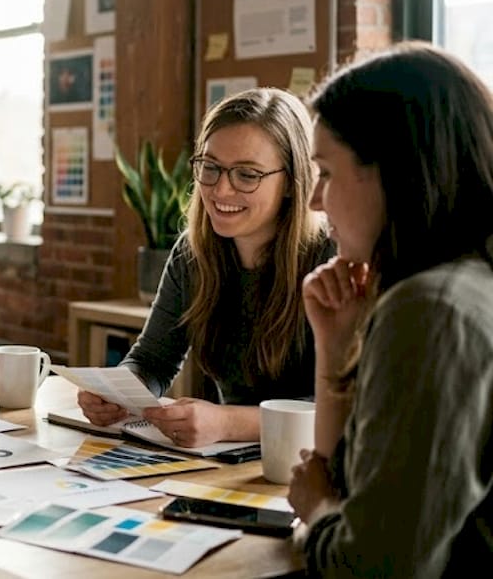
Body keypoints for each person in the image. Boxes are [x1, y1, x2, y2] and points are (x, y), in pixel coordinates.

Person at [288, 42, 493, 574]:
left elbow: (373, 565)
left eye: (327, 173)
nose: (314, 201)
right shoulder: (460, 285)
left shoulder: (431, 311)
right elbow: (347, 483)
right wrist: (335, 346)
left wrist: (315, 513)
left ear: (393, 170)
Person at [78, 88, 335, 447]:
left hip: (312, 463)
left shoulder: (333, 257)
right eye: (210, 168)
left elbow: (344, 407)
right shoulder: (192, 253)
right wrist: (118, 392)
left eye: (247, 175)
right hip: (226, 463)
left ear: (293, 183)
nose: (220, 190)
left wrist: (229, 423)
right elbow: (153, 359)